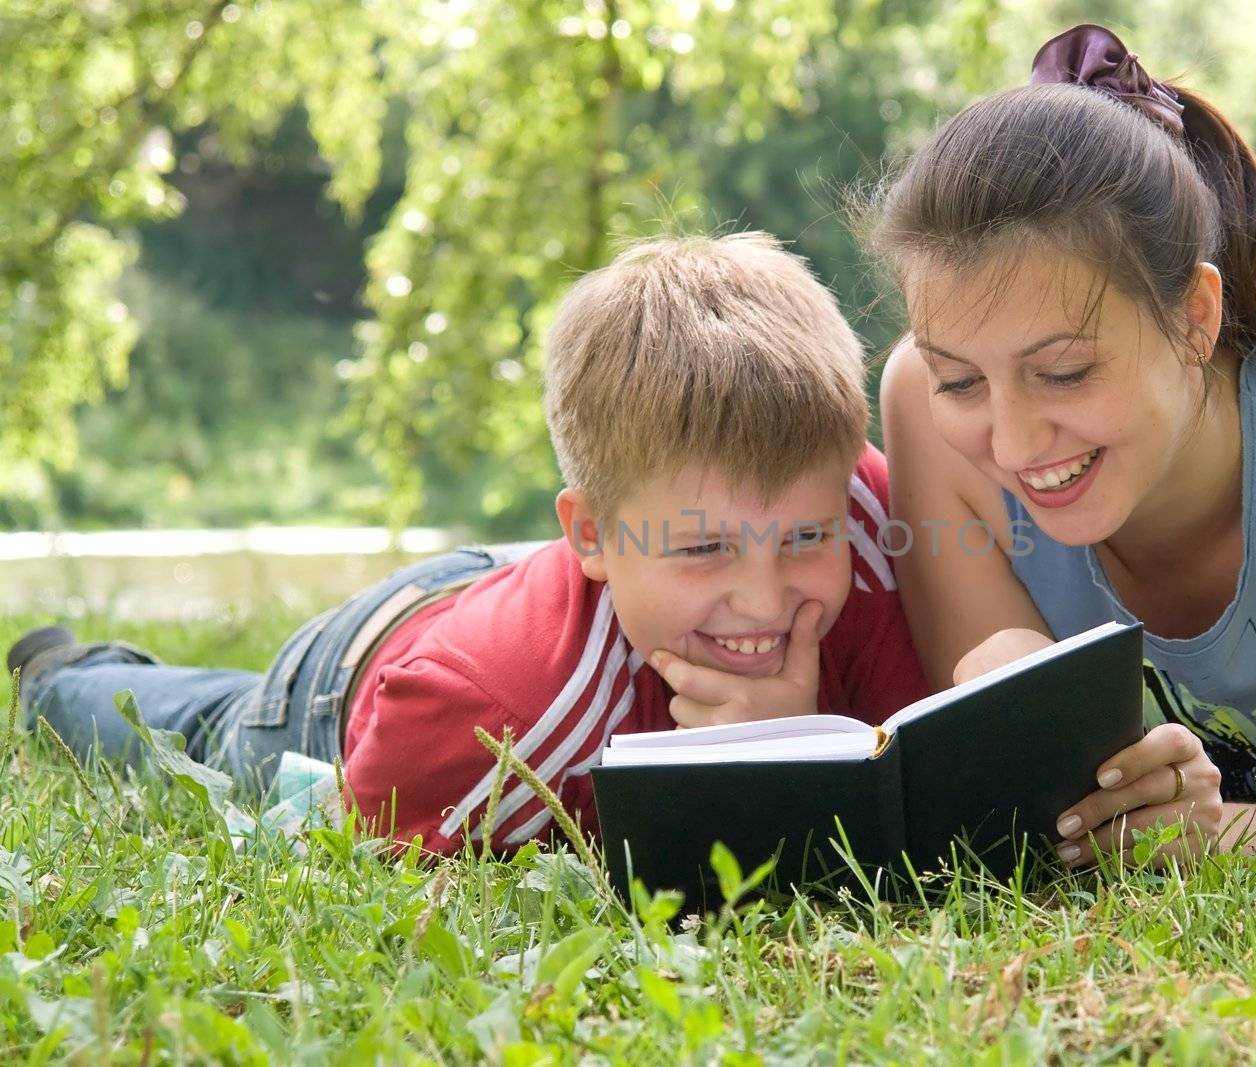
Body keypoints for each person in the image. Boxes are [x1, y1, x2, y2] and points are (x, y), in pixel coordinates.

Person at [9, 232, 928, 857]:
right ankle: (57, 675)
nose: (768, 600)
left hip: (531, 578)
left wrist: (799, 747)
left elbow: (920, 775)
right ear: (595, 534)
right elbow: (357, 829)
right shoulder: (496, 723)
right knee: (209, 731)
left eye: (806, 535)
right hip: (367, 670)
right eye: (705, 550)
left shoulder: (860, 510)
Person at [866, 25, 1256, 867]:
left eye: (1063, 372)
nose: (1014, 441)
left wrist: (1211, 834)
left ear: (1194, 318)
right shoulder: (920, 397)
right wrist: (1011, 686)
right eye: (962, 381)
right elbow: (1035, 818)